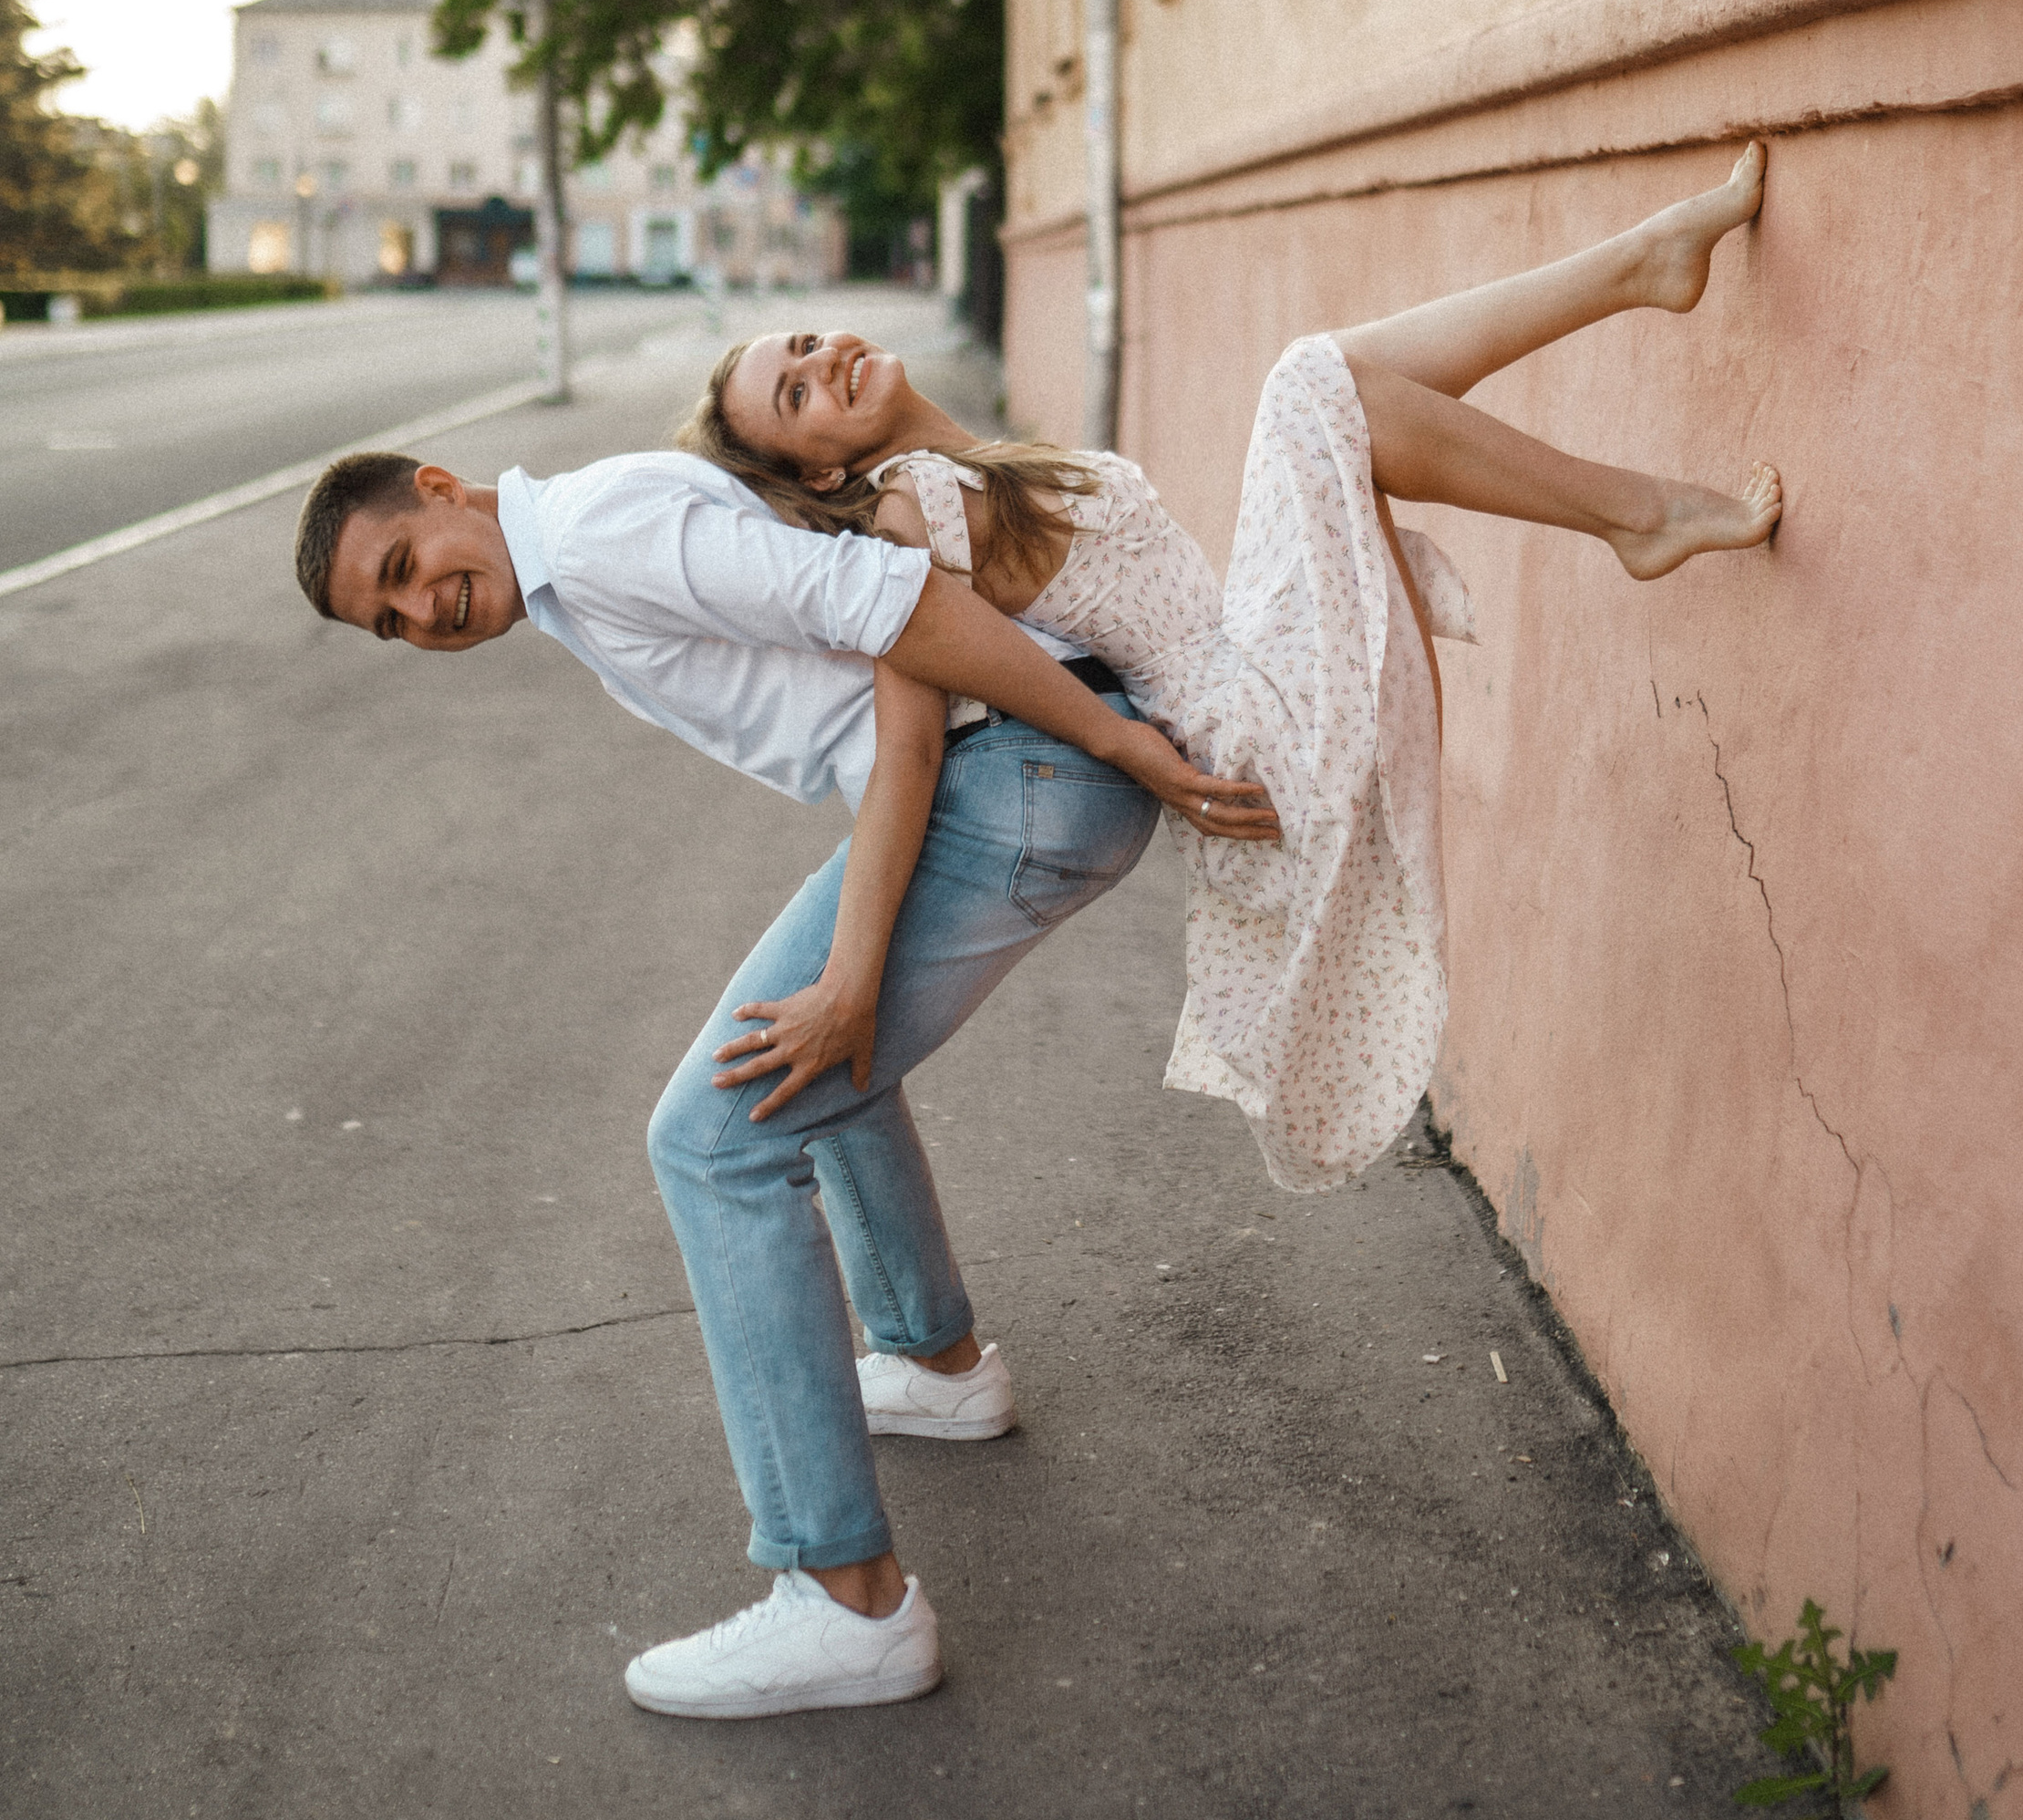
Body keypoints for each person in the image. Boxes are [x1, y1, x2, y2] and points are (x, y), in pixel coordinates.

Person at [292, 424, 1275, 1722]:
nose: (426, 610)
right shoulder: (581, 559)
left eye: (410, 565)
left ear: (440, 488)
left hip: (1018, 772)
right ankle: (935, 1365)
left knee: (714, 1138)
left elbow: (908, 611)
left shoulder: (600, 537)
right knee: (802, 1042)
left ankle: (845, 1598)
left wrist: (1115, 750)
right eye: (394, 621)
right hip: (1015, 773)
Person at [680, 147, 1781, 1198]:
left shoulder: (966, 464)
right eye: (796, 395)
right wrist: (849, 977)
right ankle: (1641, 480)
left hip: (1249, 657)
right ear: (818, 465)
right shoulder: (905, 514)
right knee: (1308, 384)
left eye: (809, 342)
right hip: (1250, 727)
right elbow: (908, 750)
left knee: (1333, 383)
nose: (824, 361)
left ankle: (1642, 285)